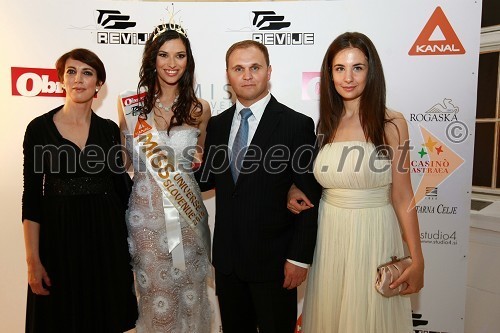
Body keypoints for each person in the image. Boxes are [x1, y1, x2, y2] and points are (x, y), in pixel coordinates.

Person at [288, 32, 425, 332]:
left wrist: (417, 259)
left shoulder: (391, 123)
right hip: (329, 235)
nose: (348, 77)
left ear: (371, 71)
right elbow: (324, 181)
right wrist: (294, 188)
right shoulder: (326, 123)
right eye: (340, 68)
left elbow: (403, 196)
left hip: (373, 233)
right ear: (329, 74)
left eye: (357, 67)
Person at [195, 40, 321, 333]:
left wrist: (298, 258)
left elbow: (309, 196)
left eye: (255, 67)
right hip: (228, 264)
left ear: (269, 71)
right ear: (228, 75)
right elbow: (208, 180)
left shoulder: (296, 124)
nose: (247, 75)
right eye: (239, 68)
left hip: (275, 264)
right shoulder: (217, 125)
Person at [22, 48, 138, 333]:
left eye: (87, 73)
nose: (78, 79)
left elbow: (123, 189)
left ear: (99, 84)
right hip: (58, 241)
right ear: (61, 80)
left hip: (105, 241)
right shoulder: (39, 129)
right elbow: (32, 198)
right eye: (71, 72)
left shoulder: (110, 130)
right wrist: (32, 261)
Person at [117, 22, 212, 333]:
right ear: (152, 60)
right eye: (164, 55)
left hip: (186, 217)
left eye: (180, 56)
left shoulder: (200, 109)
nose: (172, 64)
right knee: (154, 298)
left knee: (190, 295)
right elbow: (124, 161)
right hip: (145, 218)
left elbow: (199, 159)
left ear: (189, 61)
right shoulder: (132, 108)